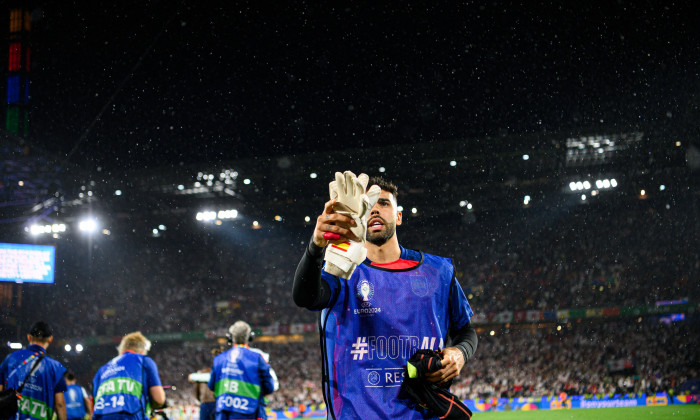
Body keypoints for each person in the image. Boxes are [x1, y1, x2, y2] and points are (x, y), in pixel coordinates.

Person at [292, 174, 478, 419]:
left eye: (384, 203)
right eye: (368, 206)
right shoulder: (340, 270)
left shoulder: (439, 271)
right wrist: (316, 246)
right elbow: (304, 297)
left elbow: (465, 331)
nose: (375, 211)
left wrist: (460, 353)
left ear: (398, 216)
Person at [208, 321, 276, 420]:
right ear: (249, 337)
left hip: (223, 414)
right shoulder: (257, 358)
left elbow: (211, 385)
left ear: (230, 338)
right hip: (250, 413)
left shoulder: (219, 359)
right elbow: (269, 387)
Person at [0, 321, 68, 420]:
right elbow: (60, 404)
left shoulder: (11, 359)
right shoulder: (56, 367)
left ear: (29, 337)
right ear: (50, 339)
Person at [92, 332, 165, 420]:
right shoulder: (144, 360)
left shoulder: (102, 370)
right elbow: (159, 399)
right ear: (142, 351)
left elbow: (95, 403)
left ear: (121, 349)